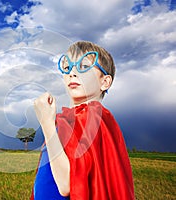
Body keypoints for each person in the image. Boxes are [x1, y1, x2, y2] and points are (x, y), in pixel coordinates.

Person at [30, 41, 135, 199]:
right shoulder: (66, 121)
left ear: (104, 82)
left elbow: (66, 185)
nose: (73, 72)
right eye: (67, 67)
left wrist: (46, 123)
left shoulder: (92, 117)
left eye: (84, 66)